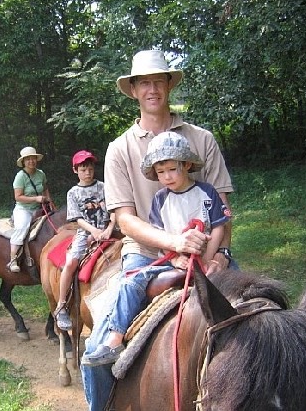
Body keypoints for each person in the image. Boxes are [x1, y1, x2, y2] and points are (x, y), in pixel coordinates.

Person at [80, 49, 235, 411]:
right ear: (133, 90)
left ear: (169, 85)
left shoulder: (202, 139)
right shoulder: (119, 149)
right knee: (95, 353)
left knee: (257, 323)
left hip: (208, 250)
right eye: (144, 83)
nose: (152, 89)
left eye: (159, 81)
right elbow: (125, 218)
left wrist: (220, 254)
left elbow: (224, 207)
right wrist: (174, 243)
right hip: (147, 253)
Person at [82, 131, 230, 365]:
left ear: (187, 164)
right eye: (161, 172)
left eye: (172, 169)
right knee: (132, 282)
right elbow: (160, 237)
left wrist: (210, 258)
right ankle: (114, 338)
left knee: (243, 290)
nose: (167, 177)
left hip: (206, 259)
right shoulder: (160, 200)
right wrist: (173, 260)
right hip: (175, 260)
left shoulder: (206, 193)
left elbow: (220, 227)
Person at [54, 150, 116, 331]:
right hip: (86, 232)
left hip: (109, 228)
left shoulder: (104, 187)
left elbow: (113, 209)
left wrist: (110, 228)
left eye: (90, 168)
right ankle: (62, 305)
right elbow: (77, 219)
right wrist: (94, 231)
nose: (88, 172)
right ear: (76, 171)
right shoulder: (73, 193)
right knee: (71, 262)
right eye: (83, 169)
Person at [9, 146, 53, 273]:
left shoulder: (41, 174)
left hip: (40, 208)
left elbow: (45, 188)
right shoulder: (20, 176)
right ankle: (13, 259)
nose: (31, 161)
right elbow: (18, 197)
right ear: (23, 161)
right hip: (24, 209)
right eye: (28, 159)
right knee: (22, 227)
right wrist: (36, 199)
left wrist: (49, 201)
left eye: (33, 158)